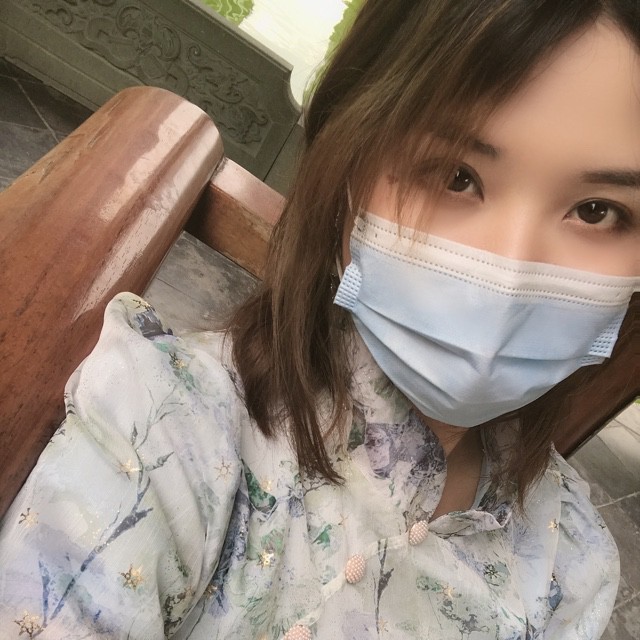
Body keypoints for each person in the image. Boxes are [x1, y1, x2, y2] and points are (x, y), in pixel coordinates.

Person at [1, 0, 639, 638]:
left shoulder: (574, 567)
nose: (512, 272)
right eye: (456, 176)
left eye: (596, 211)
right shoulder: (165, 432)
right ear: (348, 164)